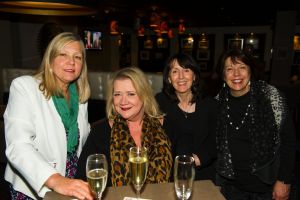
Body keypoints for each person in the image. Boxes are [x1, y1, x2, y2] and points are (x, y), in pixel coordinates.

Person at [4, 32, 93, 200]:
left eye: (78, 57)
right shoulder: (25, 87)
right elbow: (18, 145)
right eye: (63, 55)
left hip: (71, 183)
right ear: (50, 60)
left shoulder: (80, 97)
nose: (71, 62)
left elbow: (84, 140)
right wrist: (56, 180)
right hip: (34, 185)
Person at [215, 49, 296, 200]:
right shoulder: (217, 103)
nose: (236, 74)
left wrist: (284, 180)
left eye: (242, 67)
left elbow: (289, 143)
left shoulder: (272, 97)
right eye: (230, 69)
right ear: (223, 75)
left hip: (268, 188)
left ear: (250, 71)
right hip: (232, 188)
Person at [76, 67, 173, 187]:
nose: (123, 101)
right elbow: (82, 178)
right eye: (117, 94)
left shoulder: (168, 127)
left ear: (144, 96)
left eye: (131, 94)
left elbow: (181, 174)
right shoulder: (100, 132)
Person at [155, 53, 217, 182]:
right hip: (169, 175)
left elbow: (218, 139)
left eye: (186, 70)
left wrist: (199, 159)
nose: (181, 77)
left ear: (194, 76)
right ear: (168, 78)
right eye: (175, 71)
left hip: (203, 175)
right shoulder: (159, 102)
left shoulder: (210, 104)